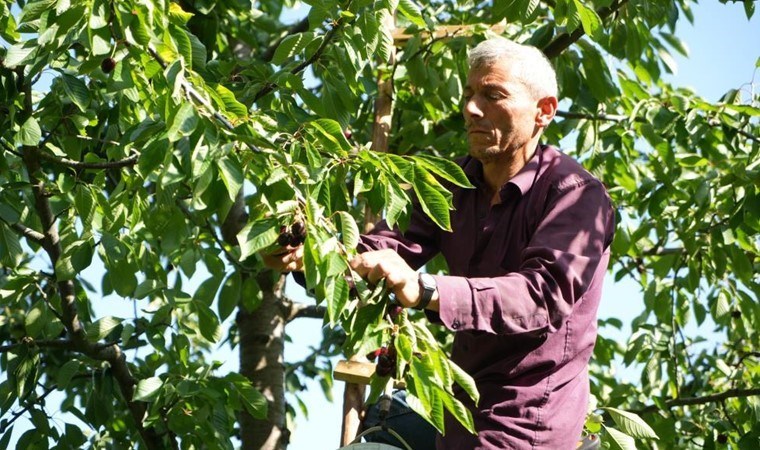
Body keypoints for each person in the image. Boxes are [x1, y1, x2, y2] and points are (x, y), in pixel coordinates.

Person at [264, 37, 615, 450]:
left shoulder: (575, 196)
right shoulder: (454, 184)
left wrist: (426, 288)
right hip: (455, 409)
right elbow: (386, 250)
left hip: (526, 421)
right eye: (468, 94)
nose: (470, 108)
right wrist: (311, 257)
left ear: (544, 111)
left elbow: (539, 297)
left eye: (493, 94)